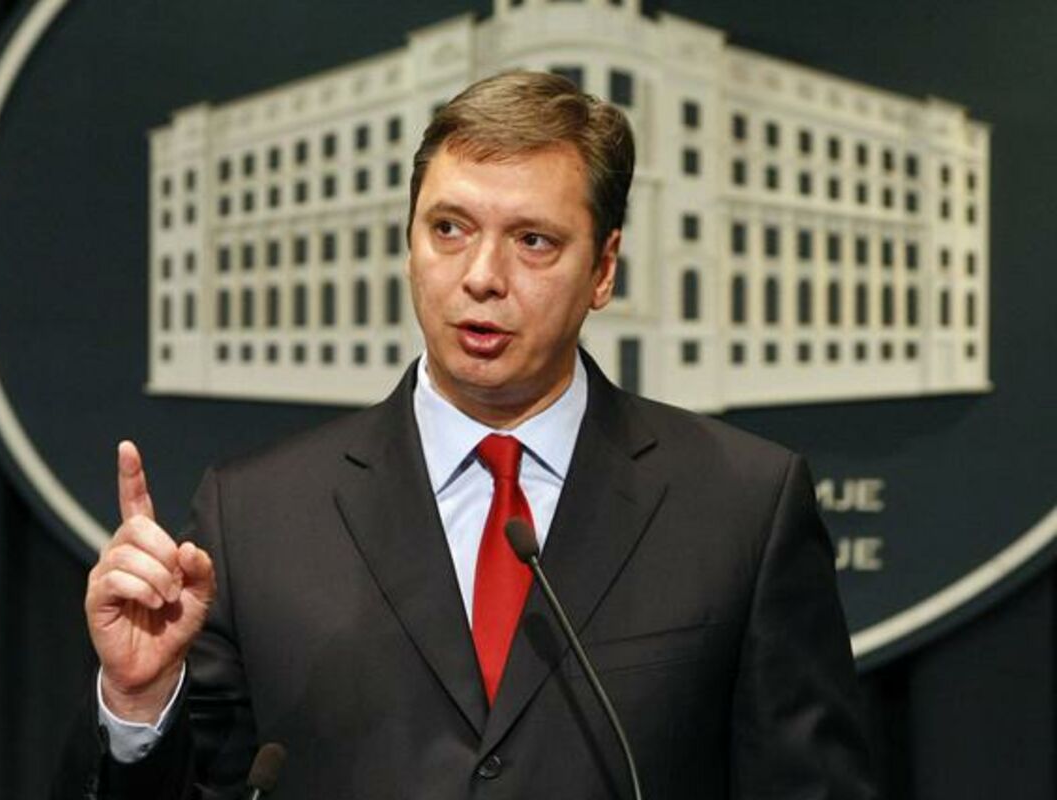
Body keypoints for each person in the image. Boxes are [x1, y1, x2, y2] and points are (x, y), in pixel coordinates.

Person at [54, 71, 877, 799]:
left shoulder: (740, 506)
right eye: (449, 228)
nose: (482, 277)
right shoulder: (257, 515)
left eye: (533, 241)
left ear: (603, 269)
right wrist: (136, 704)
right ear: (409, 244)